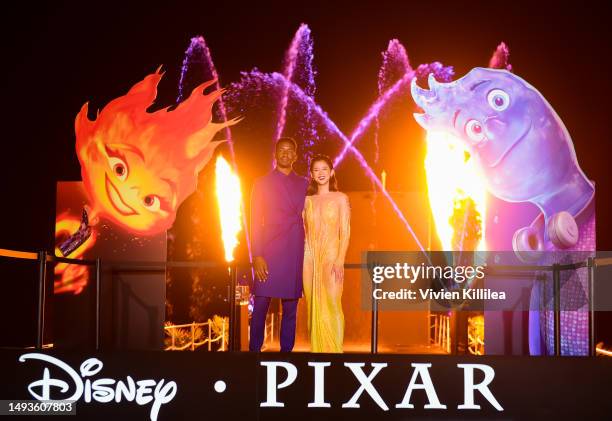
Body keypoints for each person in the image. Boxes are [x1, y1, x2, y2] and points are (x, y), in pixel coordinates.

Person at [249, 137, 308, 352]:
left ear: (295, 155)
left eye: (289, 150)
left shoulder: (304, 183)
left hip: (294, 249)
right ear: (275, 155)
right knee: (261, 304)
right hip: (269, 250)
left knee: (291, 308)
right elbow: (255, 221)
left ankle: (286, 356)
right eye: (281, 150)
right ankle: (253, 353)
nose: (285, 153)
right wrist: (257, 255)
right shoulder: (261, 183)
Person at [303, 154, 350, 353]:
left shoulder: (340, 198)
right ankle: (317, 351)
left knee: (332, 301)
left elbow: (345, 231)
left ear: (331, 172)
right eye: (316, 170)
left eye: (324, 169)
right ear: (312, 175)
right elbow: (301, 230)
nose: (321, 173)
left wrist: (340, 260)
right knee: (312, 305)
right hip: (309, 257)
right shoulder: (306, 200)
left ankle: (335, 351)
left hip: (331, 256)